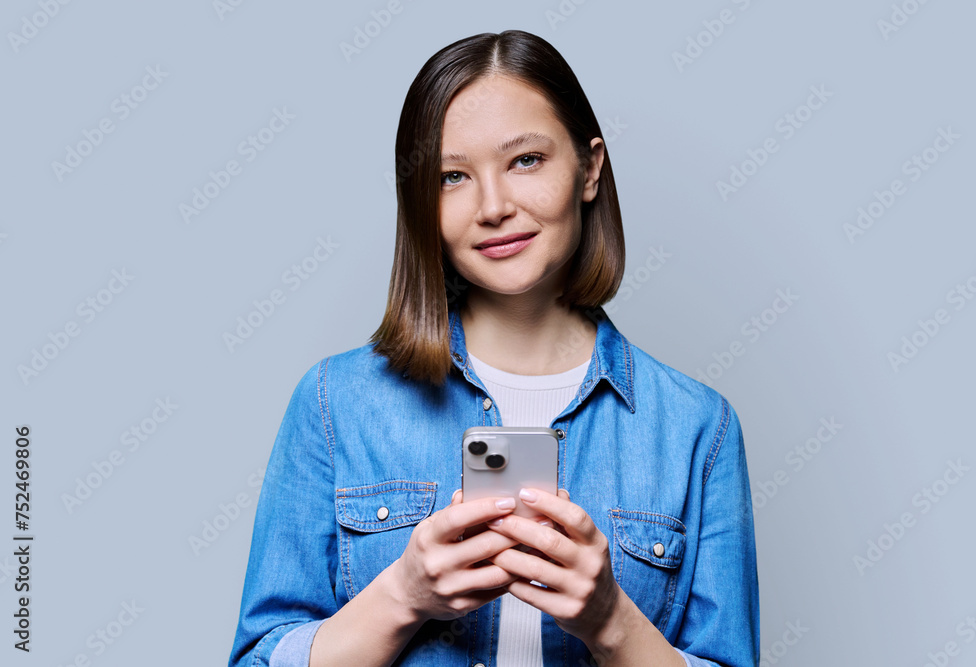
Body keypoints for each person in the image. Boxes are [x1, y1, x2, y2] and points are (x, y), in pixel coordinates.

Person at [229, 29, 759, 667]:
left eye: (526, 160)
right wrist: (403, 594)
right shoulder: (334, 404)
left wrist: (611, 621)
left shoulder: (699, 429)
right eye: (453, 176)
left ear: (589, 169)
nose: (493, 206)